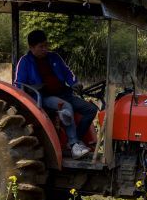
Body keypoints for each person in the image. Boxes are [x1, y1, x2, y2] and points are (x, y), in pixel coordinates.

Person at [14, 29, 98, 159]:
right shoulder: (25, 62)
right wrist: (34, 88)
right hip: (43, 97)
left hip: (63, 93)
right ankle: (74, 144)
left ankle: (76, 140)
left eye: (46, 45)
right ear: (31, 47)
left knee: (90, 109)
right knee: (66, 107)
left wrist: (74, 83)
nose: (45, 49)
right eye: (41, 46)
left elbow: (67, 72)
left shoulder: (54, 57)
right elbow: (18, 84)